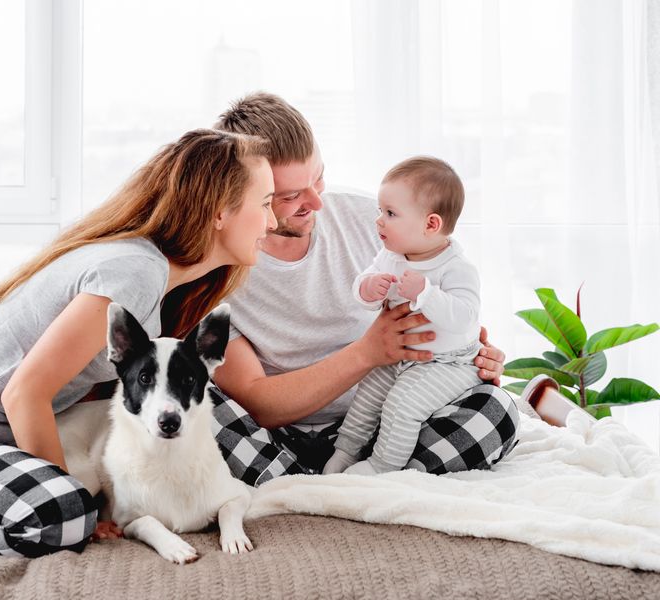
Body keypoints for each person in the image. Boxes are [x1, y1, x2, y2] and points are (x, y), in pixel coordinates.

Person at [0, 129, 277, 557]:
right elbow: (24, 393)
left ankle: (300, 477)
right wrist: (83, 504)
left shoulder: (151, 274)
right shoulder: (134, 273)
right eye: (266, 204)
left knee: (198, 399)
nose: (272, 222)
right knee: (65, 515)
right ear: (220, 211)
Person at [209, 92, 519, 486]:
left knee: (498, 410)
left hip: (388, 426)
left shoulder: (373, 220)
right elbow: (257, 403)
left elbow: (448, 308)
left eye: (318, 177)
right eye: (290, 196)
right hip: (277, 436)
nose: (317, 202)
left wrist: (472, 357)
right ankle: (346, 484)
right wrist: (368, 352)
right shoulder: (215, 269)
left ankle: (343, 482)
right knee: (197, 406)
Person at [323, 156, 485, 476]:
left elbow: (464, 318)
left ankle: (383, 465)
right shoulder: (391, 256)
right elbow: (363, 292)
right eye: (380, 212)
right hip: (399, 356)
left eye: (391, 214)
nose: (379, 221)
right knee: (367, 395)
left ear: (431, 224)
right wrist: (369, 288)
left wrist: (426, 293)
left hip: (447, 362)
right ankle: (345, 451)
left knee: (403, 404)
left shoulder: (457, 268)